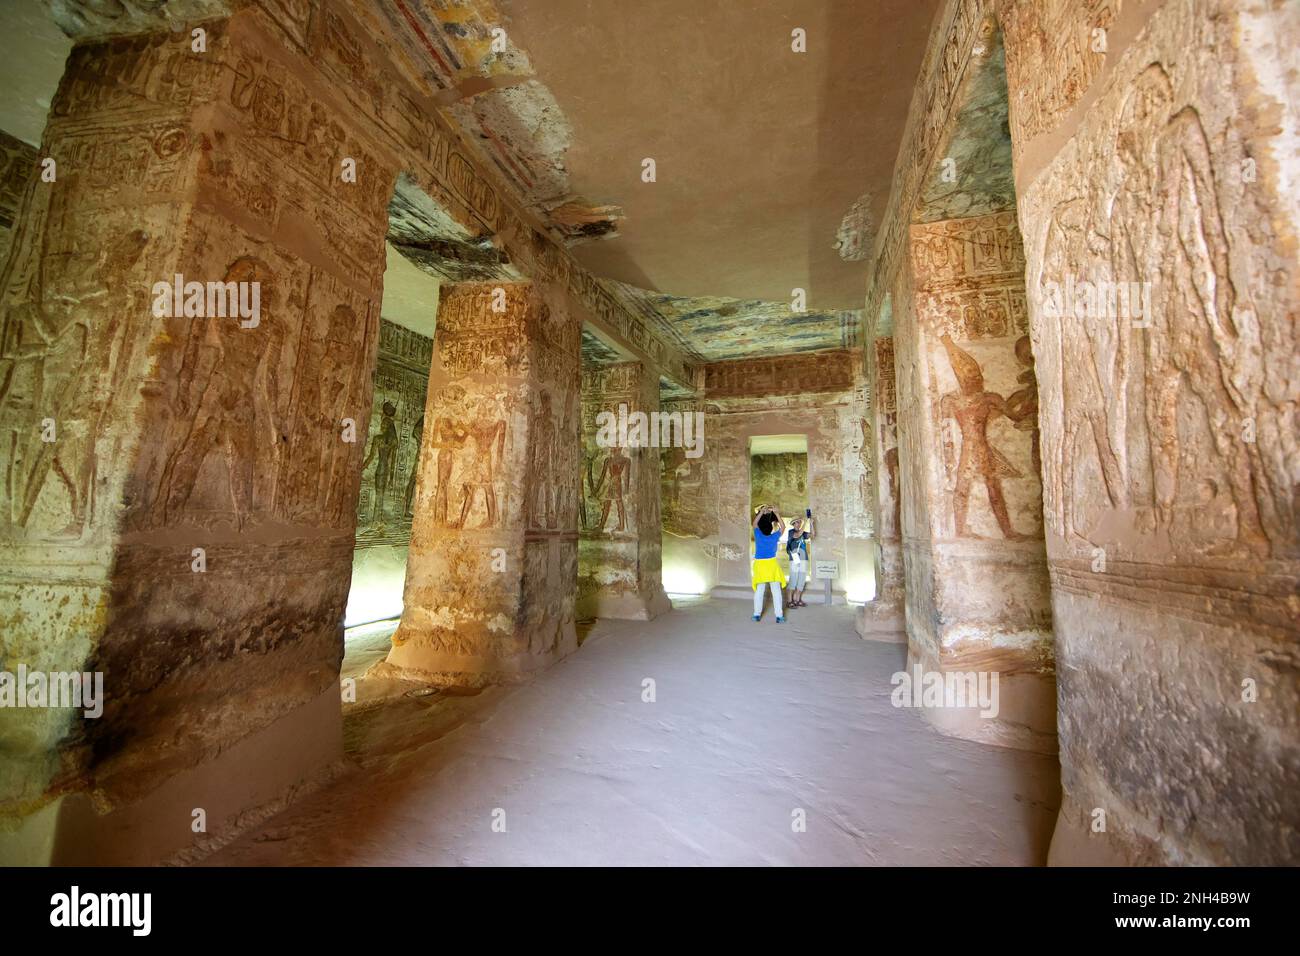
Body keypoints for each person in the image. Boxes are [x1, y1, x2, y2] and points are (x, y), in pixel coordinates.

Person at [751, 504, 786, 623]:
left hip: (760, 565)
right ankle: (779, 616)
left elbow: (754, 524)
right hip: (771, 565)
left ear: (760, 528)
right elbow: (783, 527)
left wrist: (761, 512)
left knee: (759, 591)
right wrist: (776, 513)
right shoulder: (774, 537)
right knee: (776, 591)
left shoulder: (758, 535)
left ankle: (756, 614)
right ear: (771, 528)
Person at [786, 508, 813, 607]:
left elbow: (813, 535)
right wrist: (805, 521)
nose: (798, 523)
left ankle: (797, 600)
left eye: (799, 522)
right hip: (794, 559)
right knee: (793, 578)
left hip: (803, 558)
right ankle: (789, 601)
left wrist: (811, 523)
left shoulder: (803, 533)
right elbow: (798, 535)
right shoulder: (791, 532)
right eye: (796, 522)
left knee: (802, 579)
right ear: (793, 524)